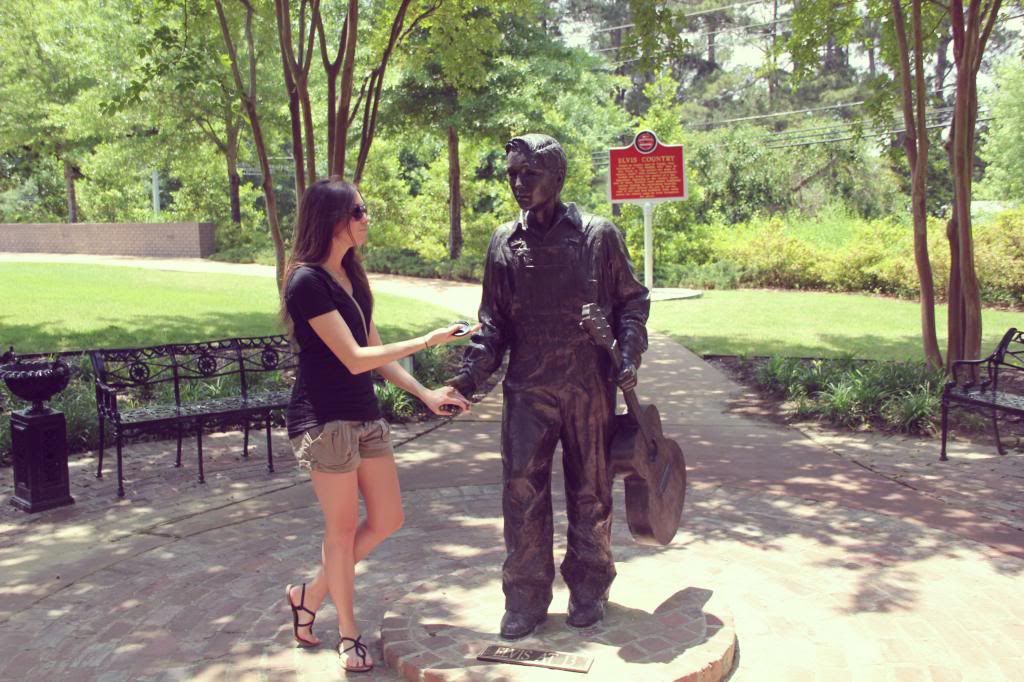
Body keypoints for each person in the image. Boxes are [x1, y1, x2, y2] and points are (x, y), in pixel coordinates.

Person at [448, 134, 650, 640]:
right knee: (520, 492)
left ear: (557, 178)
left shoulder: (598, 236)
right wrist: (468, 378)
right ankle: (525, 596)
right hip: (527, 389)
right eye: (512, 173)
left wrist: (628, 354)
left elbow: (632, 302)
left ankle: (589, 587)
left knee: (590, 492)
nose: (519, 183)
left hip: (588, 386)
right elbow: (493, 323)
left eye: (529, 174)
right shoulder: (503, 242)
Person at [281, 178, 473, 673]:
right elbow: (353, 358)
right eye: (359, 211)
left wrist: (425, 394)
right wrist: (427, 341)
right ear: (334, 219)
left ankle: (309, 594)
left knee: (388, 518)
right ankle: (348, 635)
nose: (367, 218)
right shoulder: (306, 281)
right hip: (324, 421)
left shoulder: (351, 276)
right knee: (341, 532)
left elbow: (374, 349)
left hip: (365, 416)